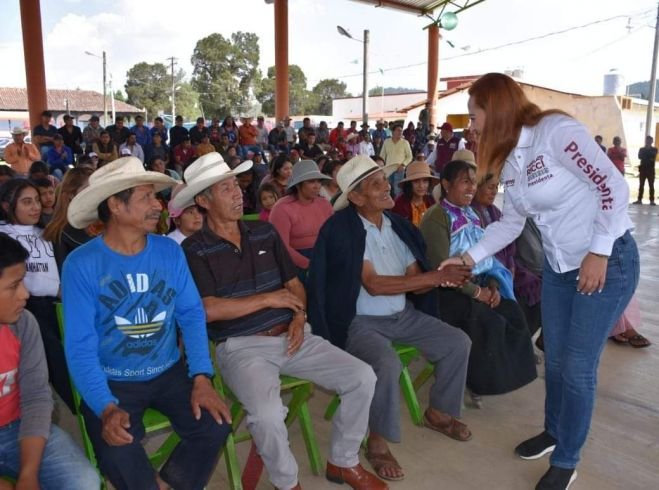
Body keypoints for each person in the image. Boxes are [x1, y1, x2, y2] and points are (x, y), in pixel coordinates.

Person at [445, 72, 638, 490]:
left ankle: (567, 460)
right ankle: (554, 432)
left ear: (493, 109)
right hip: (559, 268)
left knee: (577, 367)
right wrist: (467, 255)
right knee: (554, 361)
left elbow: (613, 187)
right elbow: (511, 223)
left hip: (606, 261)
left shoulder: (555, 132)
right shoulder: (511, 158)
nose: (471, 125)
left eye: (473, 114)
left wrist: (600, 249)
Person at [176, 153, 385, 490]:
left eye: (236, 186)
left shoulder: (263, 232)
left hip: (291, 334)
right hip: (242, 347)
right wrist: (269, 299)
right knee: (269, 415)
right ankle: (287, 484)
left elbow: (294, 285)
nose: (237, 194)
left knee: (362, 376)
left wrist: (300, 317)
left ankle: (343, 461)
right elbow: (208, 309)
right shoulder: (193, 249)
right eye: (225, 189)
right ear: (202, 200)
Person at [62, 156, 231, 490]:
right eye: (147, 197)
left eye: (156, 197)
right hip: (113, 382)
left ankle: (166, 484)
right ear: (115, 205)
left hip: (169, 373)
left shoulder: (168, 252)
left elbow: (191, 315)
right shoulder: (81, 264)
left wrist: (201, 375)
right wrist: (105, 406)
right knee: (117, 448)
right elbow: (80, 348)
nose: (159, 205)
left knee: (216, 425)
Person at [307, 155, 473, 482]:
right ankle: (377, 442)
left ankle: (438, 413)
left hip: (402, 314)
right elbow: (375, 284)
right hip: (358, 322)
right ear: (355, 197)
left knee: (457, 342)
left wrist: (441, 276)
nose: (387, 187)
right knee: (387, 363)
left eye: (385, 180)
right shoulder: (344, 230)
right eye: (376, 184)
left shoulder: (398, 226)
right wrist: (434, 279)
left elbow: (413, 273)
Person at [419, 159, 537, 401]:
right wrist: (478, 293)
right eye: (465, 182)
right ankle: (478, 382)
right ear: (446, 184)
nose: (471, 188)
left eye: (474, 182)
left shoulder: (471, 214)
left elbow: (487, 258)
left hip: (476, 284)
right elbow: (441, 269)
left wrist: (492, 286)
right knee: (487, 322)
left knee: (512, 312)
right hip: (446, 292)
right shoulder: (437, 216)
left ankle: (501, 376)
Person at [0, 233, 100, 490]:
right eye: (14, 285)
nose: (25, 293)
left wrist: (29, 475)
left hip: (17, 429)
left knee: (84, 482)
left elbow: (36, 397)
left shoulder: (23, 324)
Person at [0, 179, 75, 413]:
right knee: (54, 357)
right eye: (26, 202)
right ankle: (79, 407)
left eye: (36, 201)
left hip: (58, 303)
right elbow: (23, 279)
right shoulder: (4, 236)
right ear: (6, 206)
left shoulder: (46, 232)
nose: (35, 207)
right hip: (27, 306)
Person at [471, 169, 544, 337]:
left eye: (496, 187)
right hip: (487, 269)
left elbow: (510, 247)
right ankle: (515, 341)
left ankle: (523, 340)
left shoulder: (495, 212)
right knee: (517, 301)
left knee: (540, 289)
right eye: (490, 187)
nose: (494, 192)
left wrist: (510, 265)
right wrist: (503, 270)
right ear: (478, 187)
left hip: (508, 266)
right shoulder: (471, 214)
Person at [269, 160, 333, 279]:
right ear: (298, 185)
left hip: (325, 255)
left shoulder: (324, 204)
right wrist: (310, 264)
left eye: (319, 181)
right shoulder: (282, 208)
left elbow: (334, 236)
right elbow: (281, 246)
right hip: (295, 261)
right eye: (311, 181)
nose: (317, 186)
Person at [42, 167, 97, 270]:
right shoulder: (60, 233)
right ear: (71, 194)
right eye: (87, 189)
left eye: (96, 188)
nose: (94, 194)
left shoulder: (105, 224)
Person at [391, 161, 437, 227]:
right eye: (416, 181)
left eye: (425, 181)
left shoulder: (430, 200)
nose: (421, 186)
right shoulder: (399, 204)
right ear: (409, 184)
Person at [380, 123, 413, 198]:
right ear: (393, 132)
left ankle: (397, 207)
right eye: (398, 130)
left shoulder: (405, 142)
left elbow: (409, 156)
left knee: (398, 190)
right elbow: (382, 156)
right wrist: (382, 168)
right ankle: (387, 207)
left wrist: (403, 165)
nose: (400, 132)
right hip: (388, 170)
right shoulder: (386, 142)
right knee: (387, 189)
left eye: (401, 131)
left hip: (399, 169)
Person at [634, 135, 657, 205]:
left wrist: (646, 155)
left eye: (650, 140)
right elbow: (640, 156)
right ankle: (639, 199)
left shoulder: (655, 149)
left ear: (652, 141)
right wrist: (648, 156)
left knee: (651, 185)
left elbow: (653, 156)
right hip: (643, 169)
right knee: (641, 185)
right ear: (645, 141)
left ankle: (652, 200)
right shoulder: (641, 149)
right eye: (647, 140)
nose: (648, 141)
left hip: (650, 169)